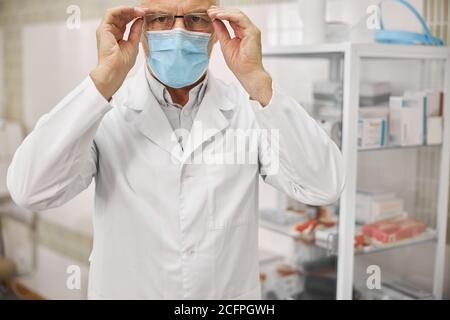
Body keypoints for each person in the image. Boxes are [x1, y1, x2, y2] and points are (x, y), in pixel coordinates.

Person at [7, 0, 345, 299]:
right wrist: (103, 79)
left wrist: (258, 80)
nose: (180, 31)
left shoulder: (247, 108)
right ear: (139, 29)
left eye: (197, 19)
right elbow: (30, 189)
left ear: (216, 30)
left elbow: (323, 186)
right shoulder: (106, 111)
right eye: (160, 19)